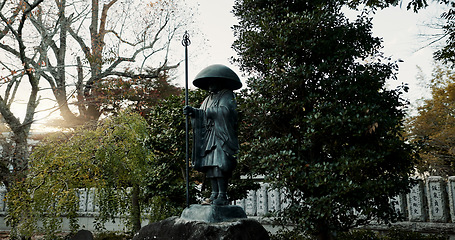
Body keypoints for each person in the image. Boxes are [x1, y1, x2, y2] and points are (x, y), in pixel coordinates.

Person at [184, 64, 242, 205]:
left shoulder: (227, 95)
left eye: (213, 82)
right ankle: (213, 193)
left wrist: (208, 112)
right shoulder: (208, 99)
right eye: (208, 83)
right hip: (209, 136)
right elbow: (201, 113)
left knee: (220, 164)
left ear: (220, 82)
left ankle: (222, 194)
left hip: (221, 136)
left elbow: (226, 111)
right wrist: (193, 112)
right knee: (210, 165)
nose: (210, 86)